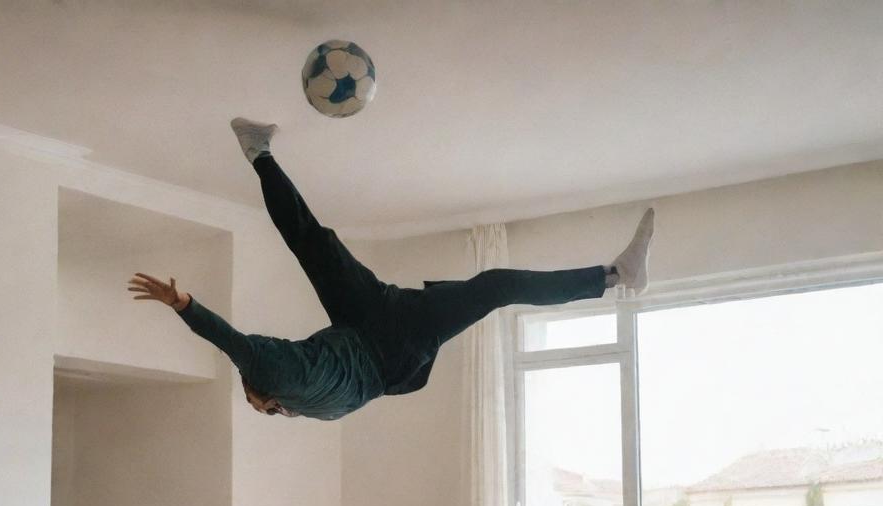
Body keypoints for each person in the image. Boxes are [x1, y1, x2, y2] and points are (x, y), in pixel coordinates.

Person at [128, 118, 655, 420]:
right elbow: (231, 342)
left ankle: (260, 152)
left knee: (314, 243)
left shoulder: (309, 402)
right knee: (494, 286)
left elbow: (245, 360)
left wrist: (263, 395)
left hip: (365, 321)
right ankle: (612, 276)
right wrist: (183, 306)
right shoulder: (274, 374)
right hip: (395, 341)